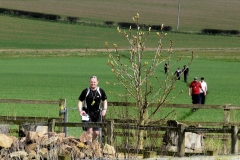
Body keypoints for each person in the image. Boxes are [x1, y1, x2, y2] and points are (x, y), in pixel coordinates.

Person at [78, 76, 108, 143]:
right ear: (89, 82)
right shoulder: (85, 91)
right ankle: (89, 147)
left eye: (94, 82)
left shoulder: (100, 91)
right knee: (90, 131)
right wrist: (80, 110)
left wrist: (104, 109)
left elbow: (104, 100)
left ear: (97, 82)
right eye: (91, 82)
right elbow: (80, 101)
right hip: (86, 113)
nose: (93, 83)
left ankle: (87, 143)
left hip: (97, 113)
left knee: (96, 132)